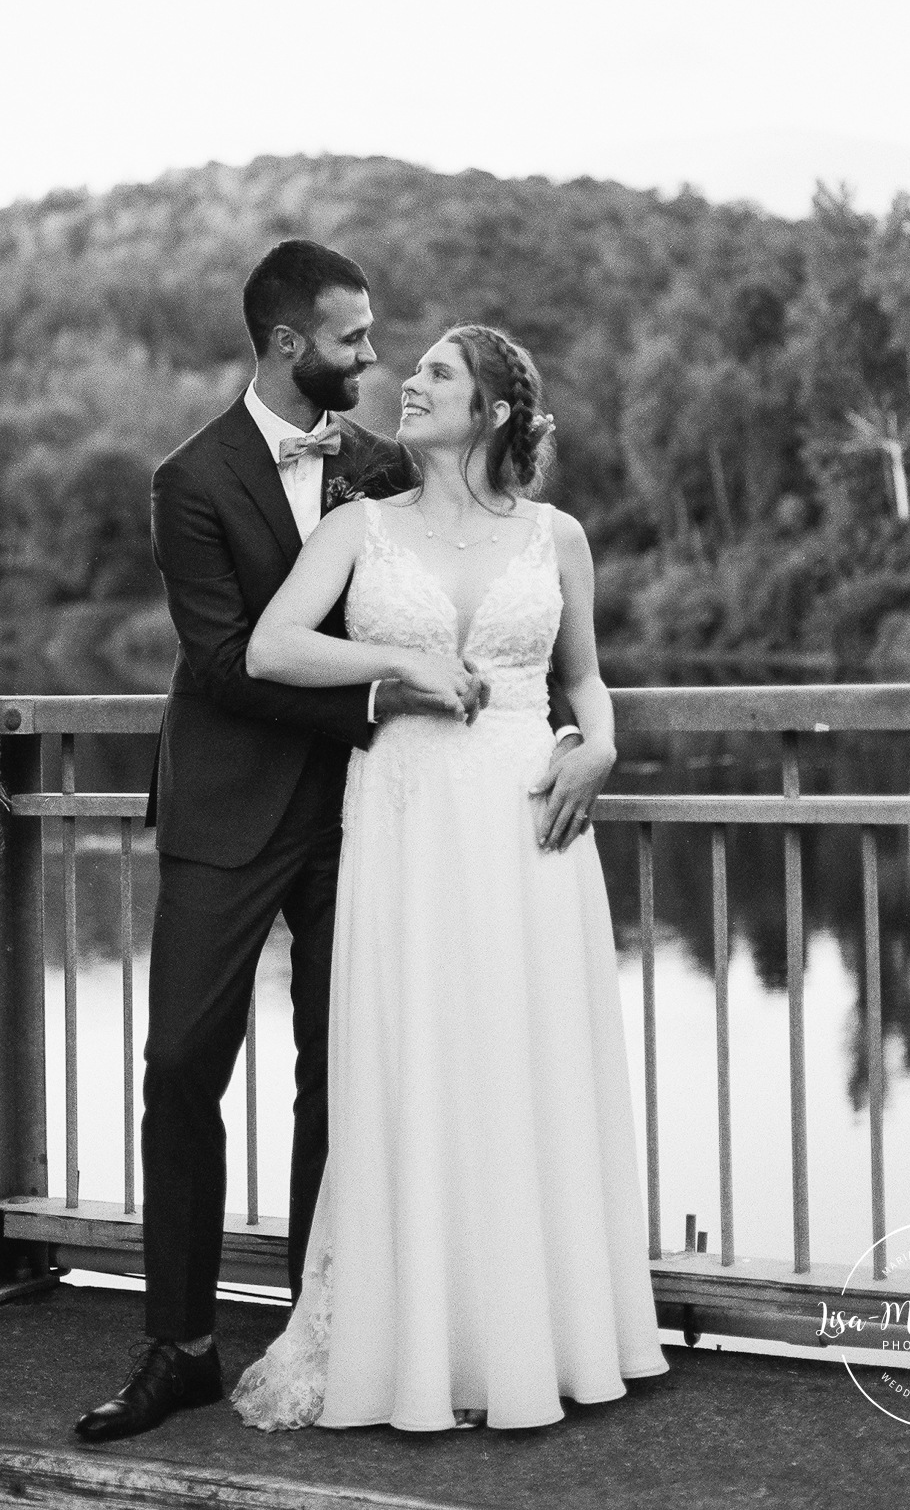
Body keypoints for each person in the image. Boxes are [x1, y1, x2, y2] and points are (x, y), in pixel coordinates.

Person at [73, 247, 583, 1443]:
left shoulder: (380, 466)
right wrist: (382, 696)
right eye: (354, 339)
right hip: (231, 806)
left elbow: (476, 587)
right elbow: (220, 657)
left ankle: (332, 1322)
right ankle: (180, 1344)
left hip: (367, 817)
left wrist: (552, 724)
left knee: (344, 1075)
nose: (374, 357)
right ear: (291, 342)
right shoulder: (188, 478)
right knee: (181, 1066)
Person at [231, 325, 668, 1432]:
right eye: (410, 368)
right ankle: (414, 1343)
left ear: (491, 410)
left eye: (434, 373)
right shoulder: (354, 527)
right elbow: (271, 647)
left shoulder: (558, 535)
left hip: (531, 825)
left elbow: (587, 678)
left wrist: (602, 745)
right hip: (410, 816)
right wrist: (396, 660)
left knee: (525, 1061)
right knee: (418, 1059)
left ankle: (542, 1334)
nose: (405, 383)